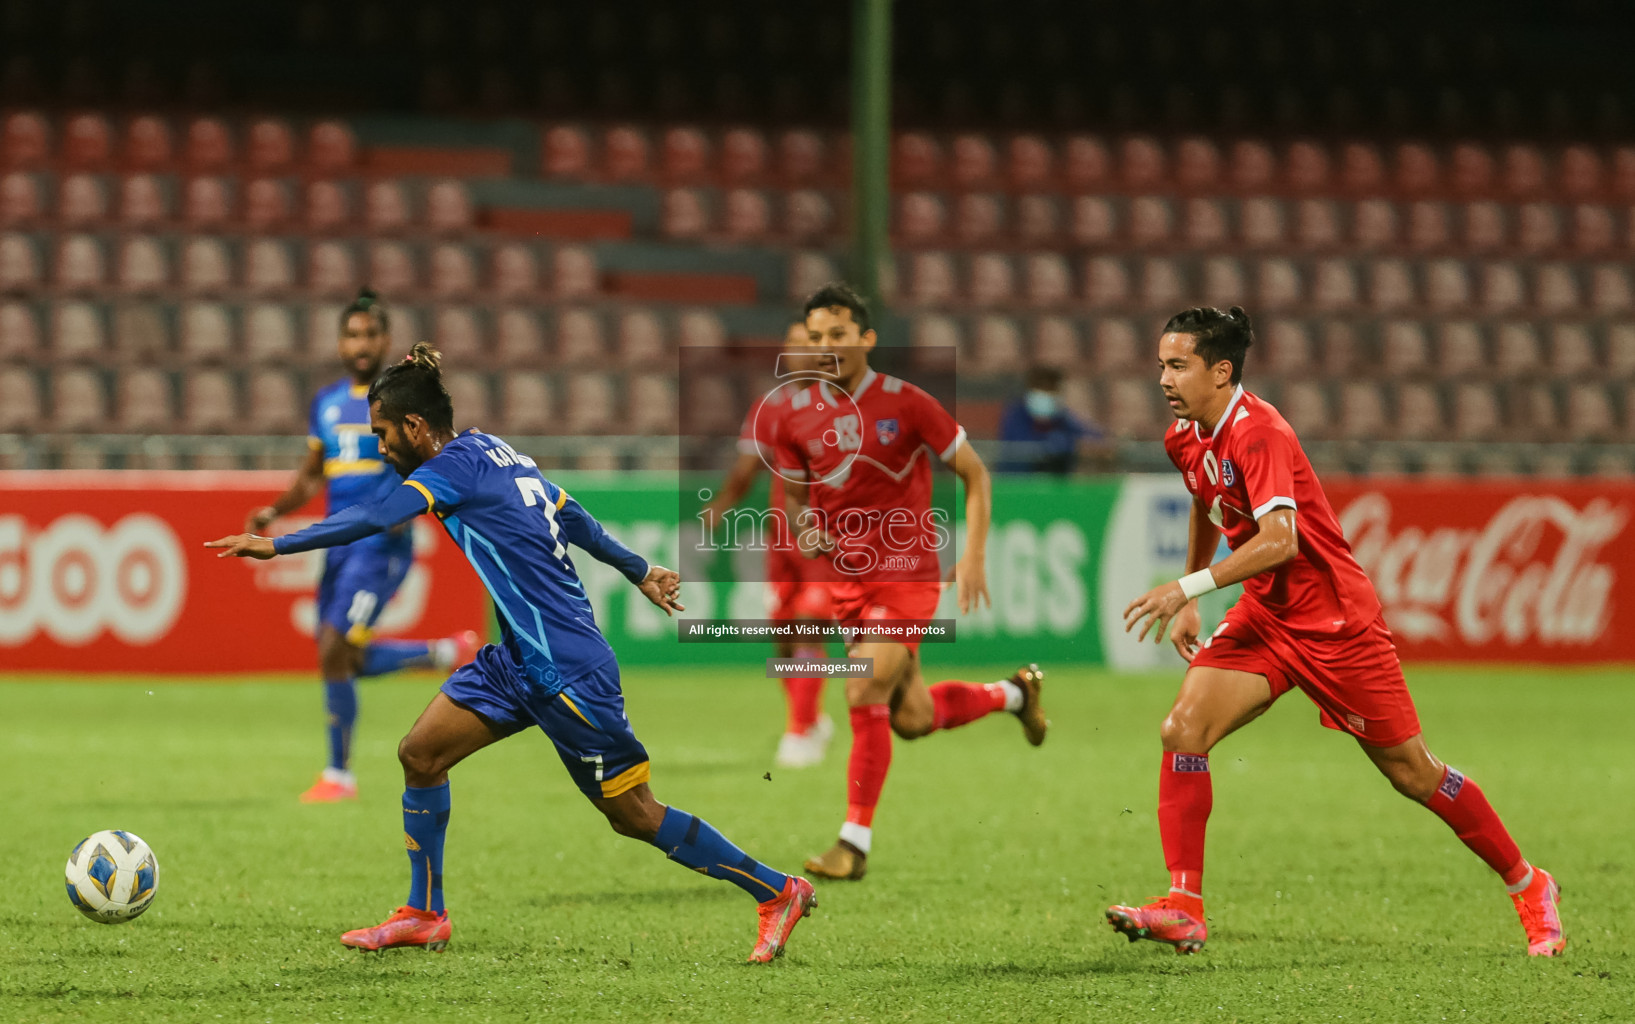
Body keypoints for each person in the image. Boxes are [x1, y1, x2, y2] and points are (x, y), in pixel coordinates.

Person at [208, 344, 816, 963]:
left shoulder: (449, 469)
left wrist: (278, 545)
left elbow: (378, 513)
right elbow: (566, 511)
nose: (380, 448)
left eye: (383, 434)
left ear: (415, 427)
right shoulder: (492, 449)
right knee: (420, 754)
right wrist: (637, 569)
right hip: (518, 661)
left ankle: (776, 889)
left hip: (567, 669)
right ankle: (424, 913)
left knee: (634, 815)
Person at [1109, 306, 1564, 957]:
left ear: (1220, 370)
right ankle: (1183, 905)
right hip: (1266, 618)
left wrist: (1188, 588)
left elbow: (1279, 541)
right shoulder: (1184, 436)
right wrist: (1190, 592)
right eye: (1159, 364)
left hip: (1335, 628)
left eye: (1176, 365)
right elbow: (1209, 503)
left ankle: (1529, 882)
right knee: (1183, 729)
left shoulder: (1258, 432)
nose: (1163, 378)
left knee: (1413, 774)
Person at [773, 283, 1050, 881]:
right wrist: (808, 531)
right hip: (851, 587)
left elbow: (975, 476)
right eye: (816, 337)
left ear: (866, 339)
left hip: (905, 579)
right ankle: (1015, 694)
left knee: (860, 689)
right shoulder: (795, 418)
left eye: (838, 335)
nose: (826, 347)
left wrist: (974, 554)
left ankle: (853, 844)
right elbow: (796, 502)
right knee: (913, 718)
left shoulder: (908, 403)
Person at [244, 288, 476, 803]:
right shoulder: (326, 404)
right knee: (340, 658)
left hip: (380, 544)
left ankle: (338, 776)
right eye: (352, 335)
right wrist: (276, 511)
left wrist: (400, 510)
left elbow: (422, 457)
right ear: (340, 343)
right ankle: (446, 651)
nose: (361, 344)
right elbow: (311, 478)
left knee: (334, 648)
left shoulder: (395, 403)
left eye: (370, 334)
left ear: (386, 340)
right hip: (339, 543)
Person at [701, 321, 836, 768]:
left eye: (809, 345)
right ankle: (810, 717)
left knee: (810, 622)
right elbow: (746, 467)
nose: (799, 353)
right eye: (792, 344)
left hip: (827, 537)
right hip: (781, 539)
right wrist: (721, 505)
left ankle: (799, 731)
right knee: (783, 637)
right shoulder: (768, 407)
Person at [996, 366, 1104, 475]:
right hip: (1019, 482)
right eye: (1041, 389)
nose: (1045, 395)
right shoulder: (1016, 415)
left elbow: (1091, 436)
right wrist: (1068, 444)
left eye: (1050, 390)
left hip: (1055, 485)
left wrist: (1091, 444)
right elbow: (1021, 448)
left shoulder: (1061, 417)